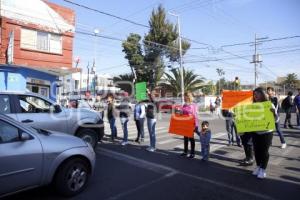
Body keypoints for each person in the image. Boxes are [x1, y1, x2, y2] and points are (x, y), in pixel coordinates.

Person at [252, 87, 276, 179]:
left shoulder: (269, 105)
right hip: (255, 132)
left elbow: (276, 120)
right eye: (254, 95)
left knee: (264, 151)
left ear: (263, 95)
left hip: (267, 132)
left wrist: (274, 114)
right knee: (256, 150)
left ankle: (263, 169)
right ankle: (258, 166)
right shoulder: (251, 106)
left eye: (258, 94)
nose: (256, 96)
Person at [180, 91, 199, 158]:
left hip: (191, 124)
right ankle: (185, 152)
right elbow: (182, 114)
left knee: (191, 138)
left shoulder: (194, 105)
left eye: (185, 96)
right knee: (185, 138)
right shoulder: (184, 105)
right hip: (185, 123)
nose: (184, 97)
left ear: (189, 97)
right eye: (184, 96)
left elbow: (195, 116)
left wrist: (196, 125)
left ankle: (192, 153)